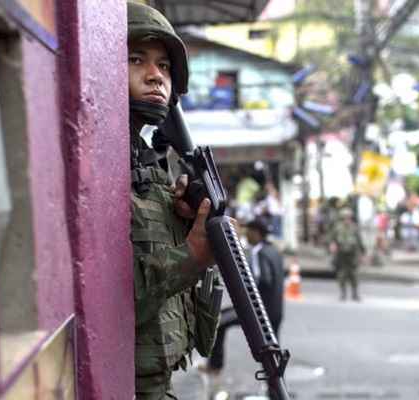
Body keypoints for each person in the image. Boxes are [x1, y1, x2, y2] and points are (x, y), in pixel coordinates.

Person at [127, 3, 222, 398]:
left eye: (164, 66)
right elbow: (102, 302)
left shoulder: (150, 167)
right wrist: (193, 255)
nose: (155, 76)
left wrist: (183, 224)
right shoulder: (96, 166)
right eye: (137, 60)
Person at [200, 219, 285, 376]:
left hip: (259, 309)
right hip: (276, 309)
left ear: (257, 233)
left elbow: (264, 279)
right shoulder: (274, 250)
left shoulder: (259, 252)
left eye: (249, 231)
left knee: (220, 323)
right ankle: (275, 387)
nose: (247, 235)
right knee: (272, 350)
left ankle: (215, 366)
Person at [329, 208, 366, 301]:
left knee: (354, 274)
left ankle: (355, 293)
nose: (347, 219)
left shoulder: (354, 228)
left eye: (348, 217)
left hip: (352, 254)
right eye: (345, 218)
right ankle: (343, 293)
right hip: (341, 254)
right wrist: (332, 245)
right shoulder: (337, 228)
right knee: (342, 274)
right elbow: (331, 239)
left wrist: (363, 253)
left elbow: (359, 241)